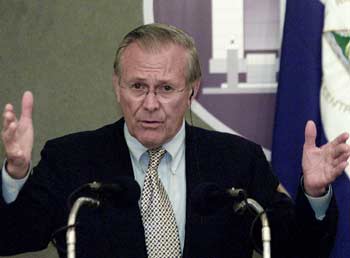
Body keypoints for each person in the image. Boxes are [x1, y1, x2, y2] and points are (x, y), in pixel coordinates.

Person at [1, 23, 349, 258]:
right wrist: (15, 175)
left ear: (192, 92)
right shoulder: (71, 159)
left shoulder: (237, 161)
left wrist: (315, 194)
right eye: (138, 86)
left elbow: (298, 250)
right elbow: (15, 235)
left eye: (166, 88)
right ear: (117, 87)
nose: (150, 104)